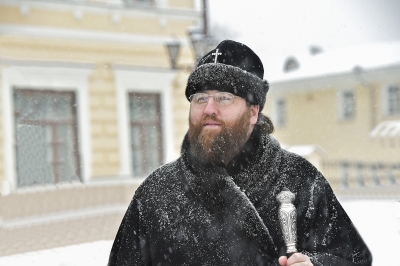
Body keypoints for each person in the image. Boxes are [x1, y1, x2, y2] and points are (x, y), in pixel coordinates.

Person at [108, 40, 372, 266]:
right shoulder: (156, 193)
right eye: (200, 98)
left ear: (253, 112)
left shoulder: (300, 180)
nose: (209, 108)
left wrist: (317, 264)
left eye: (224, 97)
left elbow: (353, 258)